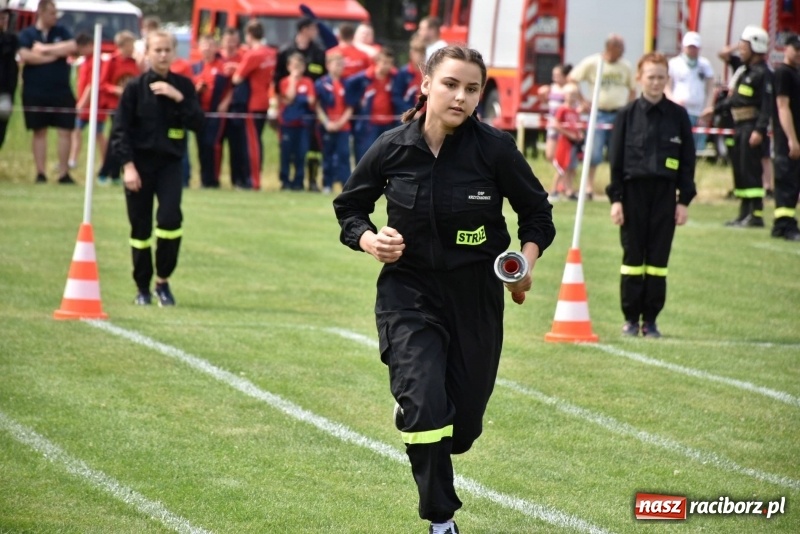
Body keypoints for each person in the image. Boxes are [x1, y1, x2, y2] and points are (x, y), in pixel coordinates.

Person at [333, 45, 555, 534]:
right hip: (408, 293)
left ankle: (418, 408)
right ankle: (441, 520)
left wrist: (527, 263)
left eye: (472, 89)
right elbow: (349, 208)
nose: (460, 96)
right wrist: (371, 240)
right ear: (427, 83)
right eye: (451, 84)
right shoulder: (392, 147)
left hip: (475, 297)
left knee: (463, 427)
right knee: (429, 410)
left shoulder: (495, 149)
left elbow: (537, 214)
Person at [110, 29, 204, 306]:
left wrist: (179, 98)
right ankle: (142, 288)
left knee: (170, 220)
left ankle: (163, 281)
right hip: (138, 167)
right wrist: (128, 166)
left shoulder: (185, 86)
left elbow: (199, 124)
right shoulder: (134, 89)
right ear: (148, 53)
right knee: (140, 229)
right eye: (157, 50)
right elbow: (120, 132)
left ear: (175, 53)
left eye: (167, 50)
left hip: (171, 166)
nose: (163, 55)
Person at [606, 52, 696, 338]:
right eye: (651, 77)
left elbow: (688, 162)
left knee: (658, 261)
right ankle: (631, 319)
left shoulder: (678, 116)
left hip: (665, 196)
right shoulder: (626, 115)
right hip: (633, 195)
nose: (656, 82)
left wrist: (683, 202)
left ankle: (652, 321)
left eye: (661, 77)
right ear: (639, 78)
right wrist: (616, 200)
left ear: (667, 78)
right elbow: (616, 162)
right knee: (632, 258)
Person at [568, 34, 636, 199]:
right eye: (620, 48)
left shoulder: (625, 66)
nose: (623, 52)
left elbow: (632, 89)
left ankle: (618, 186)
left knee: (618, 152)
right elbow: (572, 79)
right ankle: (589, 188)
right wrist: (583, 102)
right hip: (598, 113)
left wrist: (628, 109)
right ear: (610, 48)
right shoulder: (593, 63)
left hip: (619, 113)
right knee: (594, 153)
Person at [17, 0, 78, 184]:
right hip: (35, 91)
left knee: (65, 130)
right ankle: (41, 173)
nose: (55, 17)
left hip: (61, 90)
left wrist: (44, 50)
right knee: (39, 131)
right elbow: (25, 55)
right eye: (51, 13)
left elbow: (72, 46)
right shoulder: (27, 34)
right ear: (41, 13)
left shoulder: (62, 31)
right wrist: (54, 56)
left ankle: (64, 173)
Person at [723, 25, 773, 228]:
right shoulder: (745, 72)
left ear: (755, 47)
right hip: (740, 126)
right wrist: (715, 109)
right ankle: (744, 213)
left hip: (752, 128)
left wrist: (759, 130)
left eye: (744, 47)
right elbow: (735, 100)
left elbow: (766, 106)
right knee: (741, 170)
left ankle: (756, 214)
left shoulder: (763, 74)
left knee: (752, 171)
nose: (740, 50)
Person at [275, 17, 327, 191]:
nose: (316, 32)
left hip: (310, 113)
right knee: (287, 150)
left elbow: (323, 80)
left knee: (312, 148)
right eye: (313, 28)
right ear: (304, 29)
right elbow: (276, 82)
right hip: (289, 114)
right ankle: (285, 181)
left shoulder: (319, 52)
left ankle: (310, 180)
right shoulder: (285, 51)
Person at [231, 20, 277, 191]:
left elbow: (237, 78)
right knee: (257, 141)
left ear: (248, 35)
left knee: (252, 144)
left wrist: (236, 67)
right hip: (265, 101)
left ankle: (254, 181)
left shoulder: (253, 54)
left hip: (252, 103)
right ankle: (255, 178)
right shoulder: (271, 53)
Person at [97, 30, 139, 186]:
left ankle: (115, 173)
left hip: (131, 107)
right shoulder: (112, 61)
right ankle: (104, 172)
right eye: (130, 45)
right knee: (117, 138)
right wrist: (117, 90)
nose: (132, 48)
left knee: (125, 139)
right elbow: (102, 84)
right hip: (115, 106)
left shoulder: (134, 63)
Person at [771, 34, 800, 241]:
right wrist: (792, 138)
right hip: (788, 138)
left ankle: (785, 224)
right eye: (795, 49)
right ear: (786, 49)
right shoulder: (783, 73)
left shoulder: (796, 73)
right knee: (787, 180)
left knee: (794, 180)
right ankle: (784, 224)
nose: (798, 53)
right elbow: (782, 107)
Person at [345, 47, 398, 162]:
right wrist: (356, 102)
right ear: (377, 61)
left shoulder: (394, 77)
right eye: (384, 62)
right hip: (369, 124)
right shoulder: (365, 77)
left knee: (387, 158)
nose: (387, 66)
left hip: (389, 123)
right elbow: (348, 84)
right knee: (366, 157)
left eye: (390, 63)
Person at [665, 31, 714, 152]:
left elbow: (710, 88)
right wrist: (673, 101)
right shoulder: (674, 64)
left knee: (698, 144)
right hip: (679, 110)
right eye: (690, 47)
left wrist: (708, 107)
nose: (692, 50)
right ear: (683, 47)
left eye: (695, 47)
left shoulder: (705, 65)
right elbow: (666, 87)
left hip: (699, 112)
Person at [192, 34, 228, 188]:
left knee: (212, 144)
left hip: (215, 113)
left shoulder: (222, 66)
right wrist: (197, 90)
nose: (207, 48)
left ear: (216, 48)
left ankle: (214, 179)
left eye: (210, 45)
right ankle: (204, 179)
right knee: (201, 146)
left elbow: (232, 87)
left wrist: (225, 103)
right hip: (200, 113)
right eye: (204, 45)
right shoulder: (195, 67)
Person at [315, 50, 353, 194]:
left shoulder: (347, 83)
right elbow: (317, 105)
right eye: (337, 64)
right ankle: (327, 184)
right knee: (327, 155)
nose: (340, 68)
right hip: (327, 127)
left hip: (344, 127)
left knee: (344, 155)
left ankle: (346, 185)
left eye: (342, 65)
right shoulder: (321, 83)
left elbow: (350, 106)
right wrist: (326, 123)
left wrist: (341, 122)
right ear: (328, 65)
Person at [278, 53, 316, 191]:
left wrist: (297, 101)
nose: (297, 69)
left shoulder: (308, 82)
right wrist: (293, 81)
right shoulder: (284, 82)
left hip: (303, 125)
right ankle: (285, 181)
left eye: (299, 66)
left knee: (301, 153)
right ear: (289, 67)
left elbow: (311, 100)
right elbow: (289, 97)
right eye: (294, 66)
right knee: (286, 153)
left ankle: (298, 181)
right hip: (288, 124)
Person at [69, 33, 107, 171]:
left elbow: (92, 85)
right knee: (76, 131)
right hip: (83, 106)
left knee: (99, 134)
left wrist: (82, 104)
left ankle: (105, 162)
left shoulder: (97, 62)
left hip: (95, 106)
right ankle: (72, 159)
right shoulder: (84, 61)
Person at [538, 63, 572, 199]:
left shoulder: (568, 90)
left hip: (563, 128)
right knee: (550, 155)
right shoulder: (551, 89)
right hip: (552, 126)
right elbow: (544, 102)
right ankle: (562, 179)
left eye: (557, 75)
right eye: (554, 75)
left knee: (562, 157)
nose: (554, 78)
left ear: (564, 76)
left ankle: (561, 185)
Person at [550, 83, 583, 200]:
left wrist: (579, 134)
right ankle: (554, 190)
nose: (573, 97)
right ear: (565, 95)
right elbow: (556, 124)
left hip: (573, 144)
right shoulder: (562, 109)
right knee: (561, 167)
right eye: (570, 94)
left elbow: (577, 125)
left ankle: (569, 190)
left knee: (571, 168)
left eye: (575, 94)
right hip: (565, 142)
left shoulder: (575, 111)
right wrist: (569, 134)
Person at [391, 36, 426, 116]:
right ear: (411, 53)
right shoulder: (403, 73)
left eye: (422, 52)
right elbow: (396, 97)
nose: (420, 56)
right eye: (417, 52)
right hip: (408, 116)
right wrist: (412, 111)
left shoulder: (428, 72)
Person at [0, 4, 19, 151]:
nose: (3, 19)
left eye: (4, 17)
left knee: (1, 130)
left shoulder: (11, 40)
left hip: (4, 94)